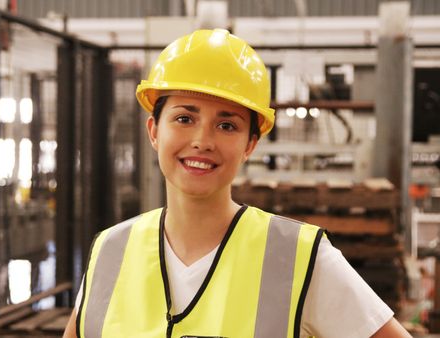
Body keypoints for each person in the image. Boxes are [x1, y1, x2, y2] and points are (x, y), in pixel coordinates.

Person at [63, 29, 411, 338]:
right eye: (184, 118)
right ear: (154, 131)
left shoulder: (298, 257)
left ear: (250, 144)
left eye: (226, 125)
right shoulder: (111, 252)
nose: (202, 140)